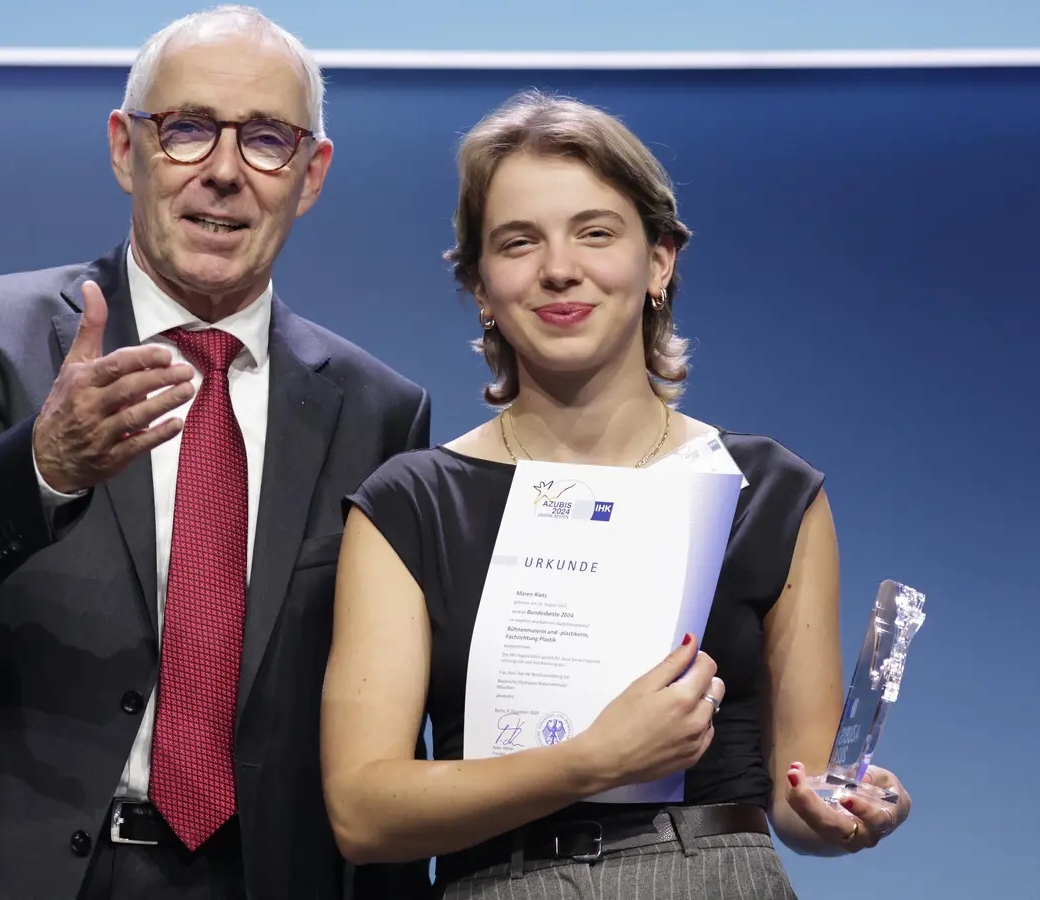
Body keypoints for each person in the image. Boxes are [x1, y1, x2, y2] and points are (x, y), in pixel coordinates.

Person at [0, 7, 432, 900]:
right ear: (127, 149)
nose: (225, 172)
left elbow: (384, 718)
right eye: (189, 130)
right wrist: (41, 466)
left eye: (267, 140)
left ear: (311, 176)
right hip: (1, 867)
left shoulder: (380, 411)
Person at [319, 91, 913, 899]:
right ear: (481, 287)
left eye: (595, 232)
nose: (559, 268)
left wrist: (846, 814)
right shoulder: (413, 505)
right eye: (518, 242)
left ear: (659, 260)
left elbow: (798, 800)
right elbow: (362, 812)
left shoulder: (769, 494)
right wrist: (593, 761)